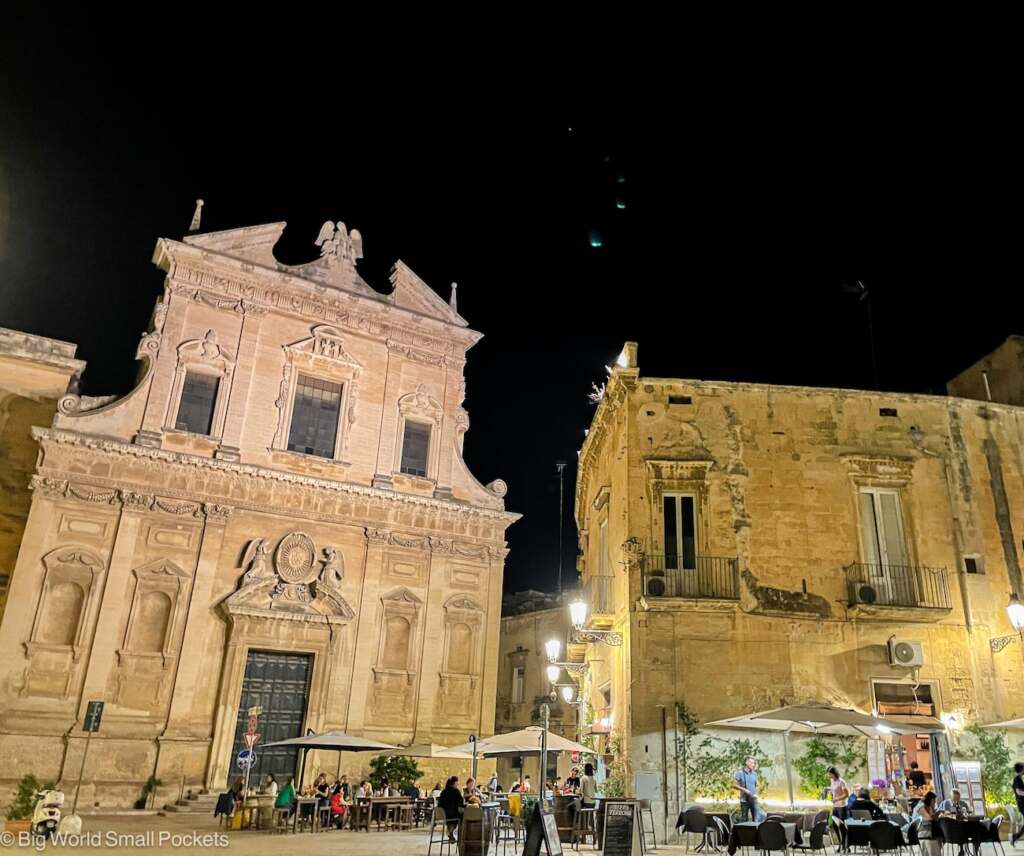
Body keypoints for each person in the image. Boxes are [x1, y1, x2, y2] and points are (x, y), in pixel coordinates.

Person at [733, 756, 764, 823]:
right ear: (747, 763)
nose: (753, 765)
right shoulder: (740, 773)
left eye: (754, 763)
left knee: (756, 819)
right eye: (752, 763)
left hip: (753, 799)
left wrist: (756, 794)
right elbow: (734, 785)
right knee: (744, 820)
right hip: (744, 800)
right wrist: (744, 790)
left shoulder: (754, 774)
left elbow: (756, 786)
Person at [437, 776, 465, 843]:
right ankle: (460, 837)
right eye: (457, 782)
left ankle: (450, 832)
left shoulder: (443, 791)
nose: (458, 784)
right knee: (462, 816)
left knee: (452, 814)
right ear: (454, 782)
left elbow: (439, 804)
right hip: (453, 814)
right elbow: (461, 803)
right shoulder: (456, 791)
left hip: (443, 815)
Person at [913, 791, 941, 856]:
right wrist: (937, 812)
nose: (935, 803)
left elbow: (933, 819)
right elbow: (929, 818)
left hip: (925, 831)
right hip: (918, 831)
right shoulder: (920, 806)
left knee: (939, 833)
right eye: (934, 801)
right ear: (931, 800)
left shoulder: (928, 807)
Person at [1012, 762, 1024, 845]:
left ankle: (1015, 837)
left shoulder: (1019, 778)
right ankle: (1015, 837)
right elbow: (1018, 791)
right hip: (1022, 804)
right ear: (1021, 769)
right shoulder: (1017, 779)